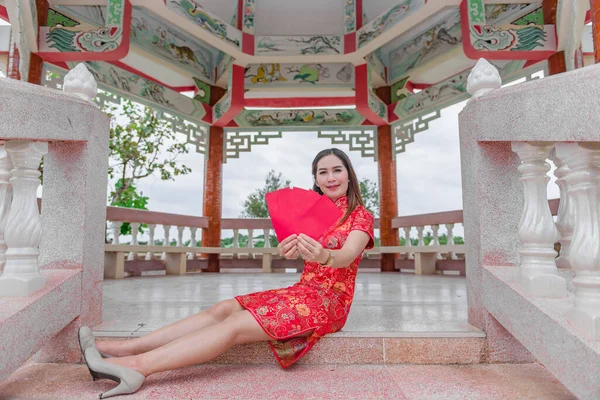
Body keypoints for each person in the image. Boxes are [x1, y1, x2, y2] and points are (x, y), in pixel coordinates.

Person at [79, 148, 375, 398]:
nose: (331, 177)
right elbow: (302, 254)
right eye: (323, 172)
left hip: (329, 302)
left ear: (349, 174)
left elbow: (346, 256)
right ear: (316, 180)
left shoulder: (360, 216)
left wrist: (322, 254)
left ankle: (138, 367)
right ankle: (124, 349)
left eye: (337, 170)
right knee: (224, 307)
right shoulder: (313, 212)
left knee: (234, 324)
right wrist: (291, 251)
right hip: (303, 290)